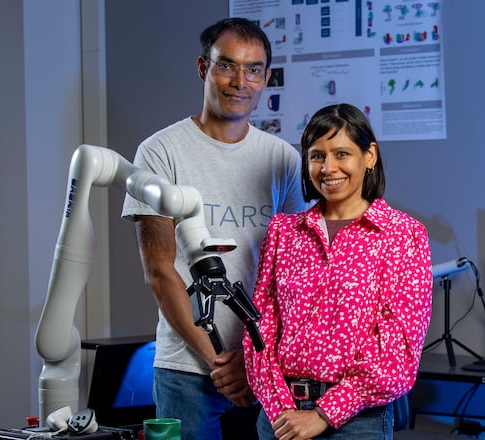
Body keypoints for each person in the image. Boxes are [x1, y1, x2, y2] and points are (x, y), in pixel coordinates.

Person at [121, 17, 306, 440]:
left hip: (266, 368)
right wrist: (222, 361)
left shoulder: (282, 159)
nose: (240, 81)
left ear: (266, 79)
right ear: (203, 68)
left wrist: (255, 359)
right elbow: (159, 270)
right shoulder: (160, 151)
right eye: (226, 66)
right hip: (187, 368)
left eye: (254, 69)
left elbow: (292, 273)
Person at [243, 103, 433, 439]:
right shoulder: (284, 232)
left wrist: (324, 414)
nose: (328, 168)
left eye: (341, 153)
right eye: (317, 156)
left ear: (369, 156)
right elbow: (260, 329)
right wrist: (280, 407)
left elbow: (398, 348)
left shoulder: (402, 234)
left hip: (358, 421)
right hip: (280, 417)